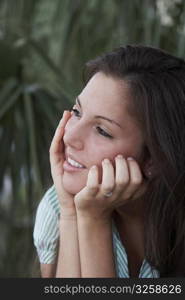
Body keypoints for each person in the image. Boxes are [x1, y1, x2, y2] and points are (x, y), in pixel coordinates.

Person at [33, 45, 185, 278]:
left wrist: (93, 218)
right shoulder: (56, 208)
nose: (70, 137)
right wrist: (72, 214)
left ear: (155, 158)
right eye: (76, 112)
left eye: (102, 131)